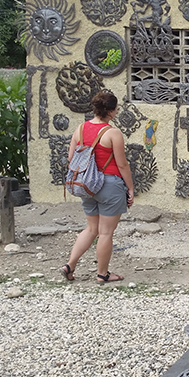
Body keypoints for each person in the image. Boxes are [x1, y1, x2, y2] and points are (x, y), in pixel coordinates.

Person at [60, 91, 135, 283]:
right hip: (109, 185)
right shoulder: (113, 133)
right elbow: (122, 165)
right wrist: (131, 188)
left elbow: (71, 159)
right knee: (106, 233)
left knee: (91, 229)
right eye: (116, 109)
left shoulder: (81, 129)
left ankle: (69, 265)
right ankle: (103, 273)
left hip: (86, 185)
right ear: (110, 112)